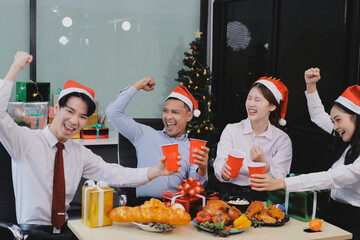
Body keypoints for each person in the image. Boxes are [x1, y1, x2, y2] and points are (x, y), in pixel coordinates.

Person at [0, 51, 180, 240]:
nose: (74, 121)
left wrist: (157, 171)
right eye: (70, 111)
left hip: (66, 231)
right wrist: (15, 68)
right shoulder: (25, 141)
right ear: (57, 108)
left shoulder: (79, 153)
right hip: (30, 234)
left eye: (82, 117)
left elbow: (115, 173)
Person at [251, 68, 360, 239]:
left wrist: (281, 183)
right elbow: (318, 115)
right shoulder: (348, 138)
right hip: (334, 213)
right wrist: (311, 86)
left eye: (338, 120)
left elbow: (331, 178)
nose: (335, 126)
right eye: (333, 121)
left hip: (355, 220)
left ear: (357, 117)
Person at [105, 76, 209, 203]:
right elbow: (112, 112)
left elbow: (195, 187)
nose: (168, 117)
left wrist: (202, 169)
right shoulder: (144, 134)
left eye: (175, 112)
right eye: (165, 111)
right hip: (144, 205)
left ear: (189, 116)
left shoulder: (193, 148)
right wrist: (139, 85)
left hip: (176, 208)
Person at [213, 76, 292, 201]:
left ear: (272, 106)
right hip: (230, 192)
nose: (251, 104)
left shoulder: (282, 139)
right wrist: (224, 173)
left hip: (265, 196)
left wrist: (263, 163)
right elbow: (219, 164)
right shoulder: (232, 130)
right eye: (249, 98)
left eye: (258, 100)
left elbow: (280, 180)